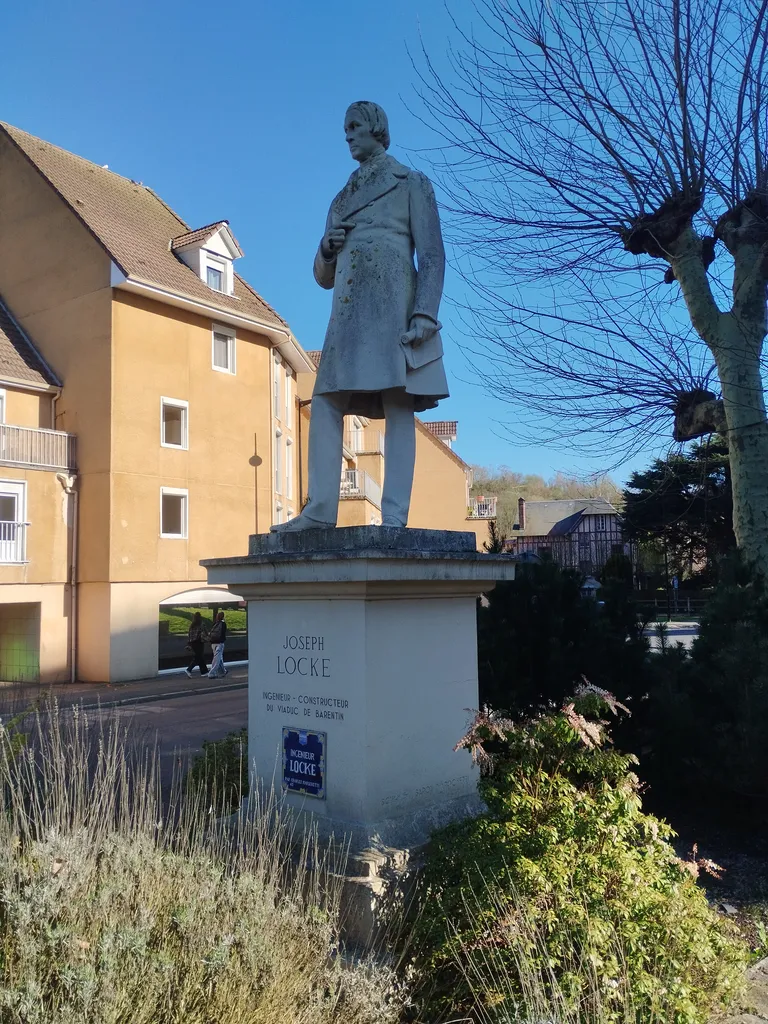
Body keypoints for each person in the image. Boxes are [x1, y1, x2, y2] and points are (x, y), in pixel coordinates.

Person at [271, 100, 448, 533]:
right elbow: (322, 277)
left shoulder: (411, 183)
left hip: (395, 306)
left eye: (354, 126)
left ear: (376, 129)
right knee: (327, 400)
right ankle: (319, 512)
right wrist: (326, 249)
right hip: (348, 313)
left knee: (398, 403)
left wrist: (425, 312)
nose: (347, 135)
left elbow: (432, 254)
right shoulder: (341, 198)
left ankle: (394, 519)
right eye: (345, 128)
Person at [184, 611, 208, 677]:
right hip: (199, 642)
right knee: (198, 657)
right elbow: (206, 632)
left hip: (193, 643)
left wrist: (189, 643)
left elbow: (189, 635)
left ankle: (204, 672)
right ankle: (189, 669)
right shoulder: (202, 624)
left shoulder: (192, 625)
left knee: (200, 657)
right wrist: (208, 638)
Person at [207, 611, 228, 678]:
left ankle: (223, 671)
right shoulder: (223, 624)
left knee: (219, 658)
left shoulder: (215, 624)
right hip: (220, 643)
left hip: (213, 643)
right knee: (217, 659)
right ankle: (211, 673)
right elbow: (223, 633)